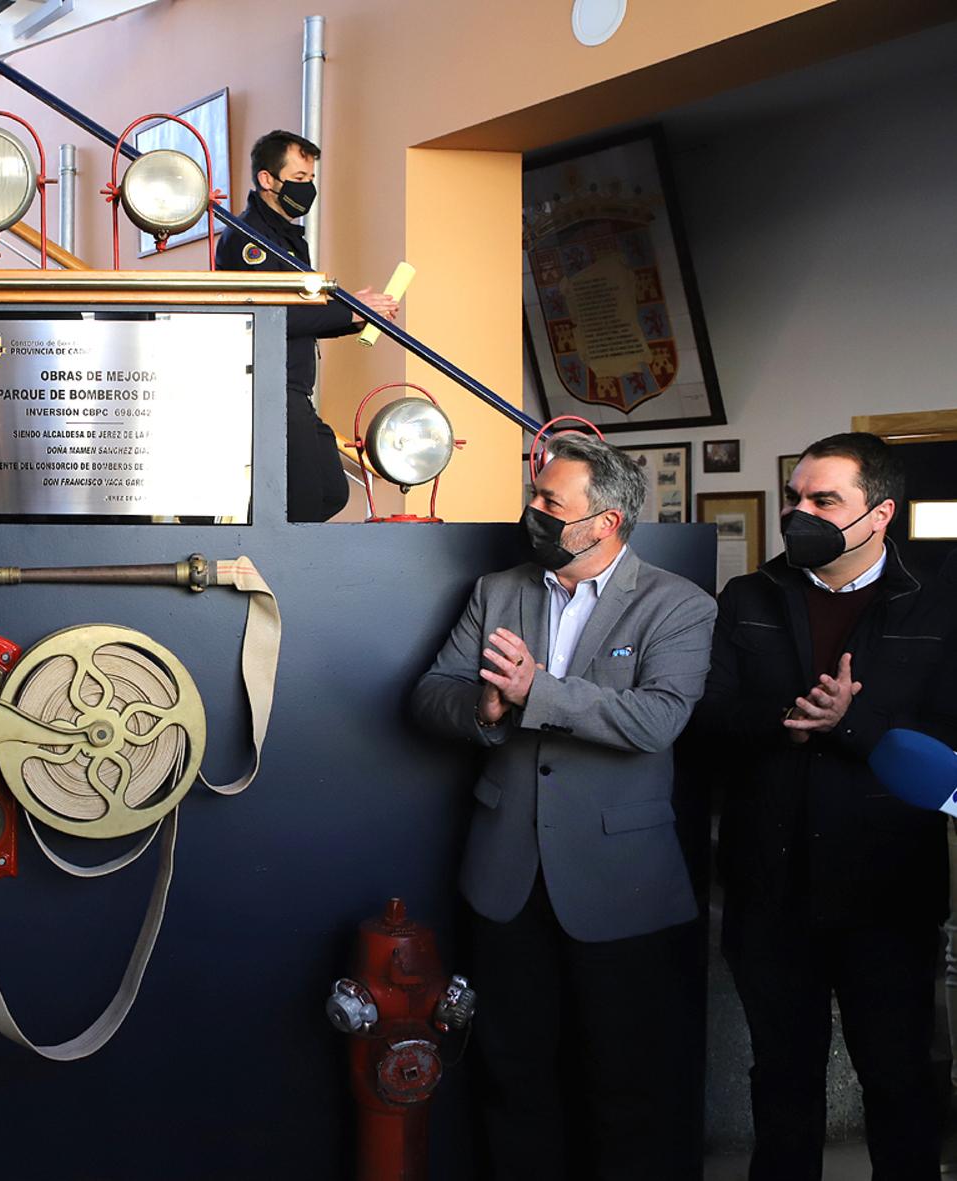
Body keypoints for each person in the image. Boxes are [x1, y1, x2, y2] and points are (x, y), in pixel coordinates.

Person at [409, 432, 716, 1180]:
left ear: (603, 521)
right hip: (506, 880)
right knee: (513, 1078)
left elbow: (656, 720)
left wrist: (534, 692)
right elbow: (428, 695)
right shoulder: (498, 590)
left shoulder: (679, 606)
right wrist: (484, 707)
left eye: (551, 501)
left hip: (622, 888)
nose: (533, 511)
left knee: (624, 1088)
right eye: (536, 494)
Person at [695, 432, 957, 1179]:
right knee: (781, 1085)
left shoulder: (936, 604)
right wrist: (790, 715)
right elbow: (706, 719)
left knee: (898, 1082)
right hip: (768, 893)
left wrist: (852, 723)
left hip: (887, 894)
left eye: (822, 500)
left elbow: (946, 741)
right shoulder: (747, 597)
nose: (797, 512)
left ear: (879, 514)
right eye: (794, 497)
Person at [215, 129, 397, 522]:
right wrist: (351, 310)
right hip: (267, 386)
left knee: (331, 491)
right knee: (306, 497)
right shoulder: (250, 239)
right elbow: (271, 314)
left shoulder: (287, 237)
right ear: (267, 180)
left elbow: (302, 314)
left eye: (311, 180)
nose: (307, 188)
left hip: (294, 389)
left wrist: (357, 314)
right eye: (298, 180)